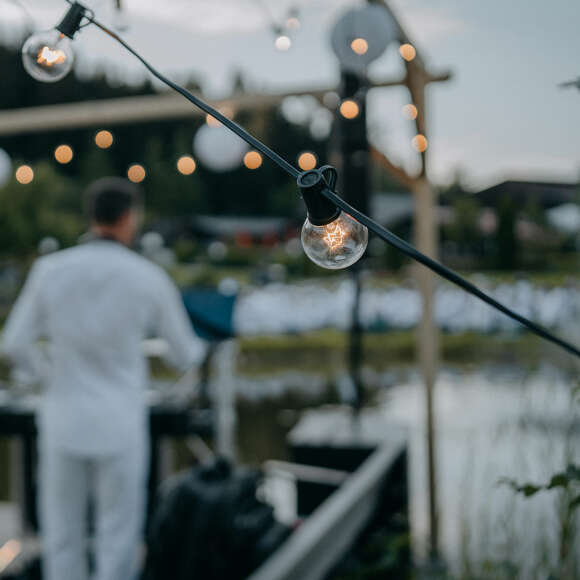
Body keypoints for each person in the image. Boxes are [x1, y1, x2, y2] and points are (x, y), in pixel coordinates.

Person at [1, 177, 206, 580]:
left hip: (62, 418)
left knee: (61, 535)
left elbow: (14, 343)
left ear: (91, 215)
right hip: (119, 423)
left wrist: (47, 376)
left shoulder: (50, 269)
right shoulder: (146, 276)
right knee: (119, 536)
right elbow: (185, 354)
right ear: (130, 217)